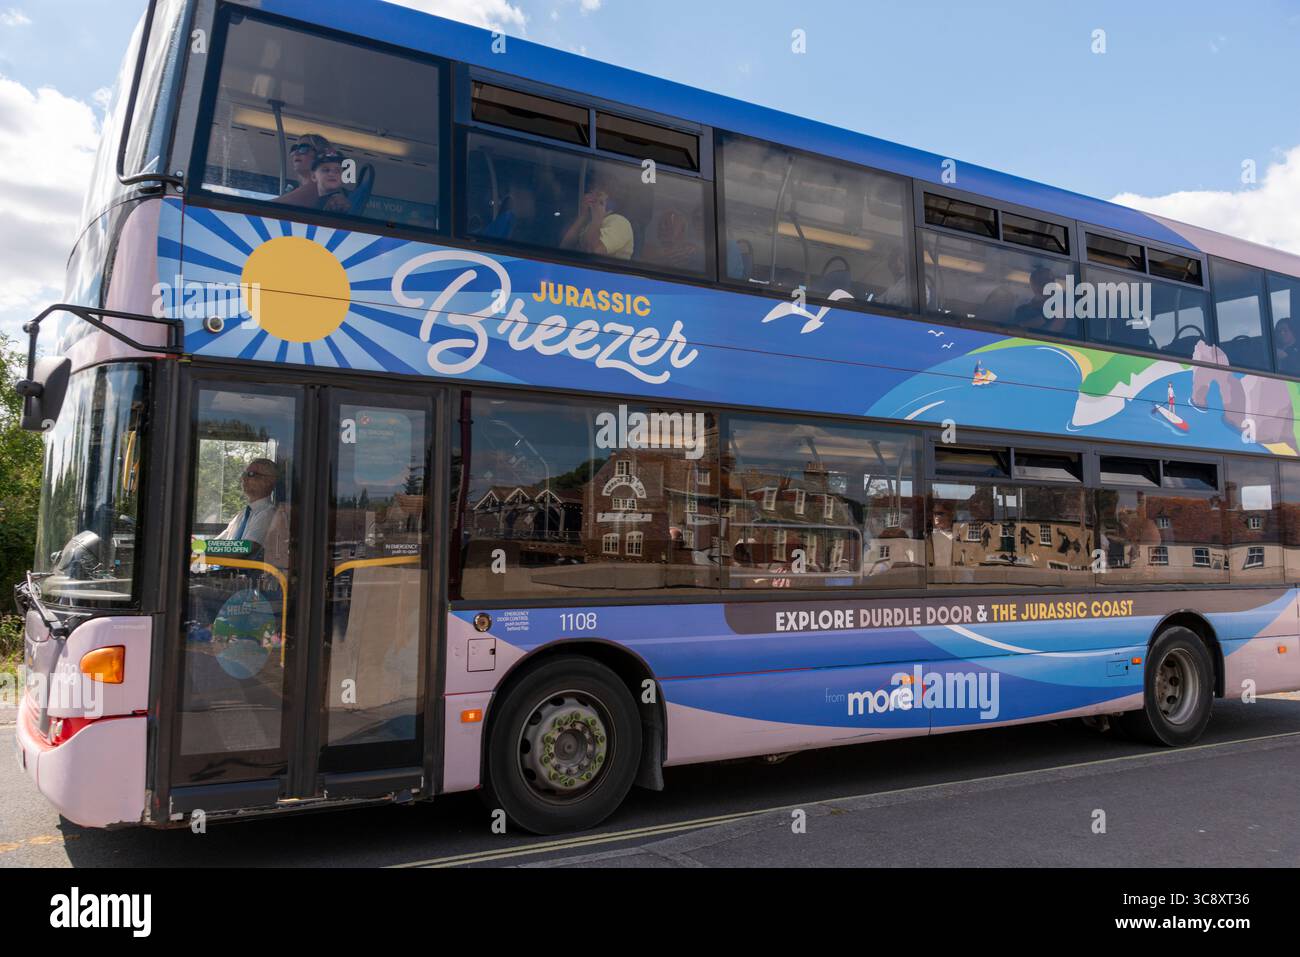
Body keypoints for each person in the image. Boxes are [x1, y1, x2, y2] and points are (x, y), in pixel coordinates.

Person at [561, 172, 634, 260]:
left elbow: (592, 252)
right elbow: (564, 247)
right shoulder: (589, 223)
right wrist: (582, 216)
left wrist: (597, 217)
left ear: (610, 200)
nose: (591, 197)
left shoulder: (620, 222)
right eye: (591, 192)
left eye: (598, 194)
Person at [215, 458, 281, 548]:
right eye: (244, 474)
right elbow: (220, 541)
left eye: (251, 474)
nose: (244, 478)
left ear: (269, 481)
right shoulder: (243, 514)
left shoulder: (267, 514)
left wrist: (203, 548)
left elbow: (246, 548)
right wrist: (197, 547)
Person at [278, 133, 331, 208]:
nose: (296, 153)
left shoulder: (317, 187)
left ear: (320, 156)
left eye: (303, 148)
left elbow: (272, 207)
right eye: (294, 149)